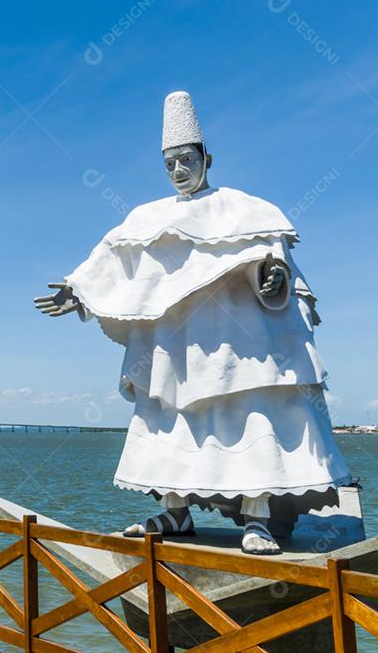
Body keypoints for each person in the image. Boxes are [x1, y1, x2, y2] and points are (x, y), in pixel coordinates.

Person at [34, 91, 350, 555]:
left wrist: (273, 279)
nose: (179, 171)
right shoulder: (149, 218)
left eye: (186, 160)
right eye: (170, 164)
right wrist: (77, 289)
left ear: (207, 157)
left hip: (240, 346)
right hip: (175, 346)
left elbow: (274, 263)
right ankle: (175, 511)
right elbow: (112, 260)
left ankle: (257, 518)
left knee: (251, 420)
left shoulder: (246, 210)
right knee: (170, 421)